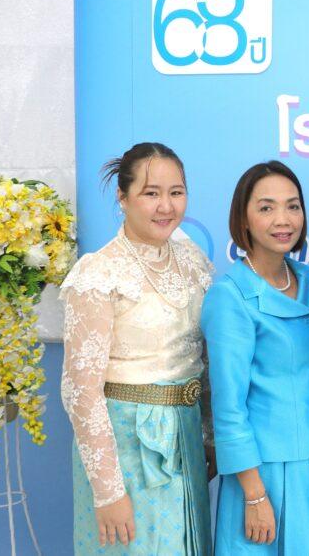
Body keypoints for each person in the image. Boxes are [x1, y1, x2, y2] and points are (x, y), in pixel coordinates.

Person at [60, 142, 214, 554]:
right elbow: (81, 392)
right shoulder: (98, 273)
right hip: (127, 448)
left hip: (185, 440)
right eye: (151, 193)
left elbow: (203, 357)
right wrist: (108, 491)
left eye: (176, 192)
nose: (166, 206)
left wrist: (209, 437)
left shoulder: (193, 260)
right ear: (123, 197)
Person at [201, 161, 309, 555]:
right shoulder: (229, 296)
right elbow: (228, 405)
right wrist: (253, 495)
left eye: (292, 206)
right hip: (261, 470)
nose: (283, 220)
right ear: (243, 219)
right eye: (266, 207)